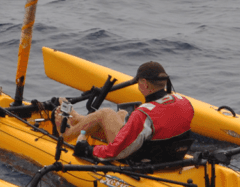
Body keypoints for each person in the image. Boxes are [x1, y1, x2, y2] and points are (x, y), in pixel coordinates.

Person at [64, 61, 195, 164]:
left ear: (144, 83)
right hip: (169, 156)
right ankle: (77, 119)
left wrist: (88, 150)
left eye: (138, 82)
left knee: (106, 113)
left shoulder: (144, 114)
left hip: (139, 159)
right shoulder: (184, 102)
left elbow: (116, 152)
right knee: (121, 114)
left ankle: (65, 135)